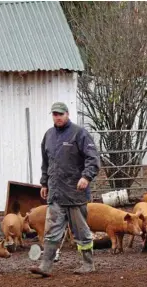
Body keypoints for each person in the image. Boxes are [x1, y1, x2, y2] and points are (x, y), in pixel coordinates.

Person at [30, 102, 100, 277]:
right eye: (54, 114)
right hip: (55, 193)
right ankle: (45, 266)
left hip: (75, 192)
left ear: (67, 114)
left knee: (81, 231)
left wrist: (86, 177)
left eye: (60, 114)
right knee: (51, 230)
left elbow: (93, 159)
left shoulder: (79, 133)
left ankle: (88, 264)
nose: (58, 117)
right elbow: (46, 163)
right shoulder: (49, 136)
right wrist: (44, 183)